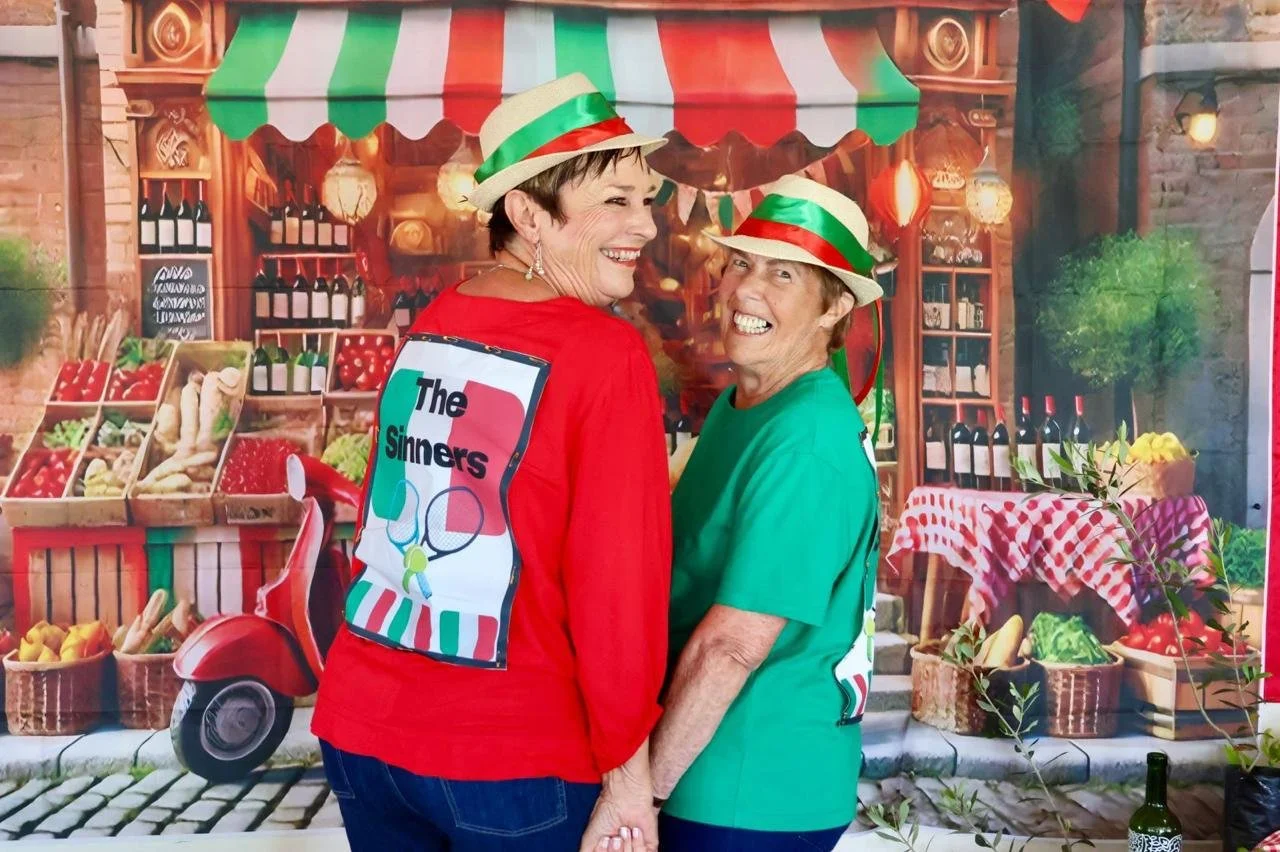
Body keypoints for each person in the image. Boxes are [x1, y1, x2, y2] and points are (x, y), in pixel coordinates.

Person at [311, 73, 672, 852]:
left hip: (364, 726)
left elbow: (382, 510)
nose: (644, 225)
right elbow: (617, 588)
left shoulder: (437, 323)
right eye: (615, 199)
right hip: (512, 761)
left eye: (647, 200)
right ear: (528, 214)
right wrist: (629, 778)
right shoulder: (606, 355)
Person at [650, 176, 884, 852]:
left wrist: (647, 789)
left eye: (783, 274)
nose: (746, 290)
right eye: (742, 265)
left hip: (743, 790)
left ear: (833, 307)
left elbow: (732, 646)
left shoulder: (807, 444)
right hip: (716, 769)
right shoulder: (744, 403)